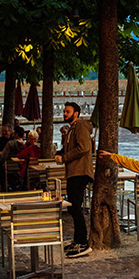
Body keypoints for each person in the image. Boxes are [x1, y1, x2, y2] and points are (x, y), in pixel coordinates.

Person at [55, 102, 94, 258]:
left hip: (79, 172)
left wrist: (64, 158)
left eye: (68, 111)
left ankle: (83, 243)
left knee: (75, 207)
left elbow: (84, 147)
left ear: (76, 113)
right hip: (73, 172)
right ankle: (78, 240)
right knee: (73, 207)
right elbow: (73, 148)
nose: (65, 114)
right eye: (64, 111)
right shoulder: (72, 129)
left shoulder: (81, 126)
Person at [0, 125, 13, 191]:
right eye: (3, 131)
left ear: (10, 132)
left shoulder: (12, 141)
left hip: (12, 161)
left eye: (6, 131)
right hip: (2, 160)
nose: (4, 133)